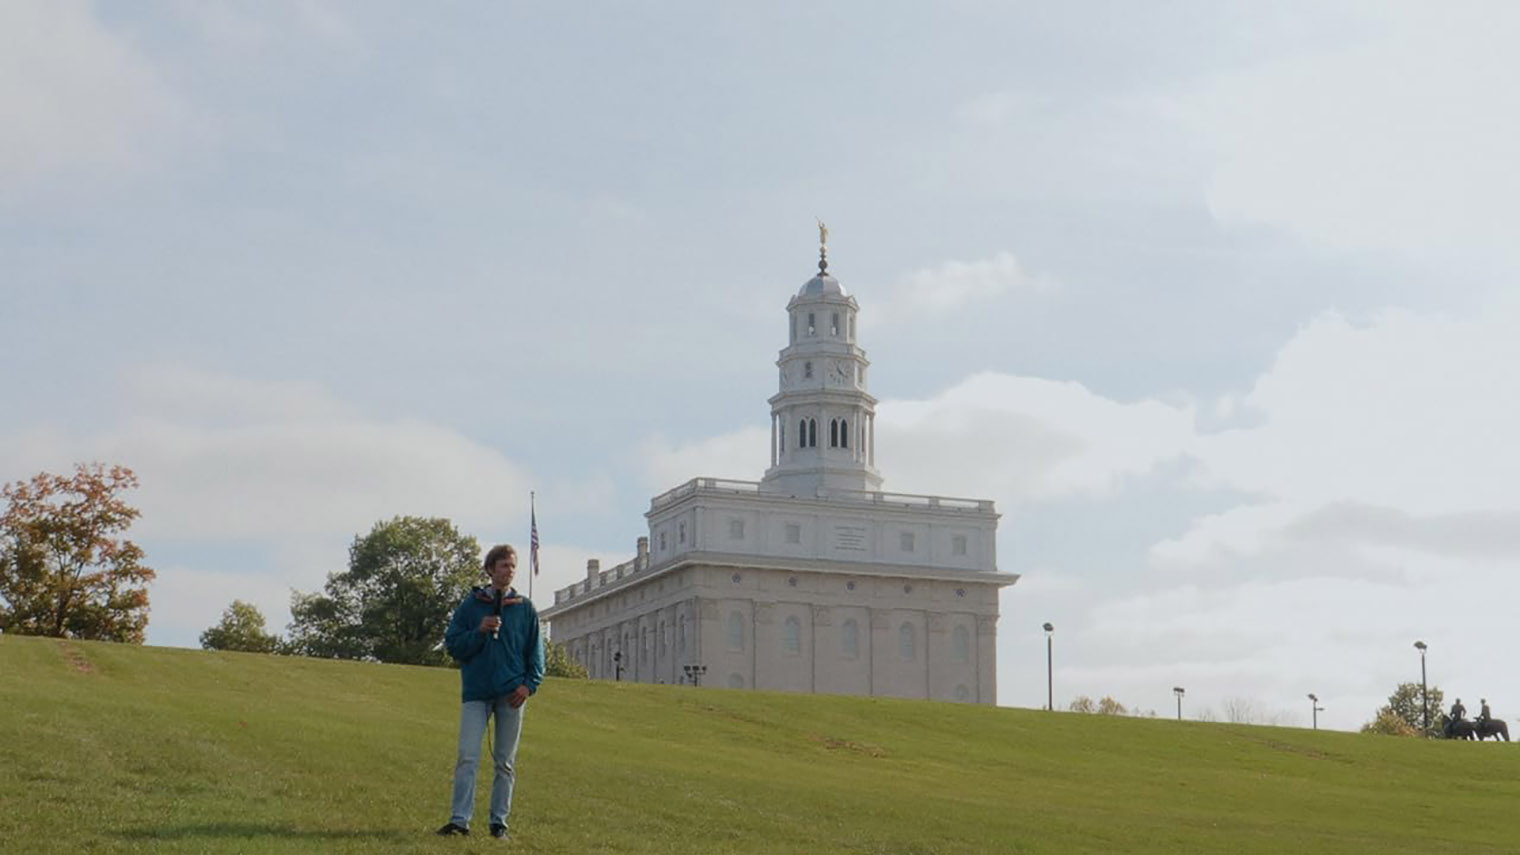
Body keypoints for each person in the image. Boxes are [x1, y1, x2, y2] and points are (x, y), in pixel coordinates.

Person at [435, 544, 545, 839]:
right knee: (468, 756)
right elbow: (454, 645)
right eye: (504, 565)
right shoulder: (472, 605)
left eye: (512, 566)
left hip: (511, 694)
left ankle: (499, 824)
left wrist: (528, 685)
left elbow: (536, 653)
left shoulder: (524, 608)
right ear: (490, 569)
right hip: (477, 692)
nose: (509, 571)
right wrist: (479, 631)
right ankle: (460, 821)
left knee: (505, 763)